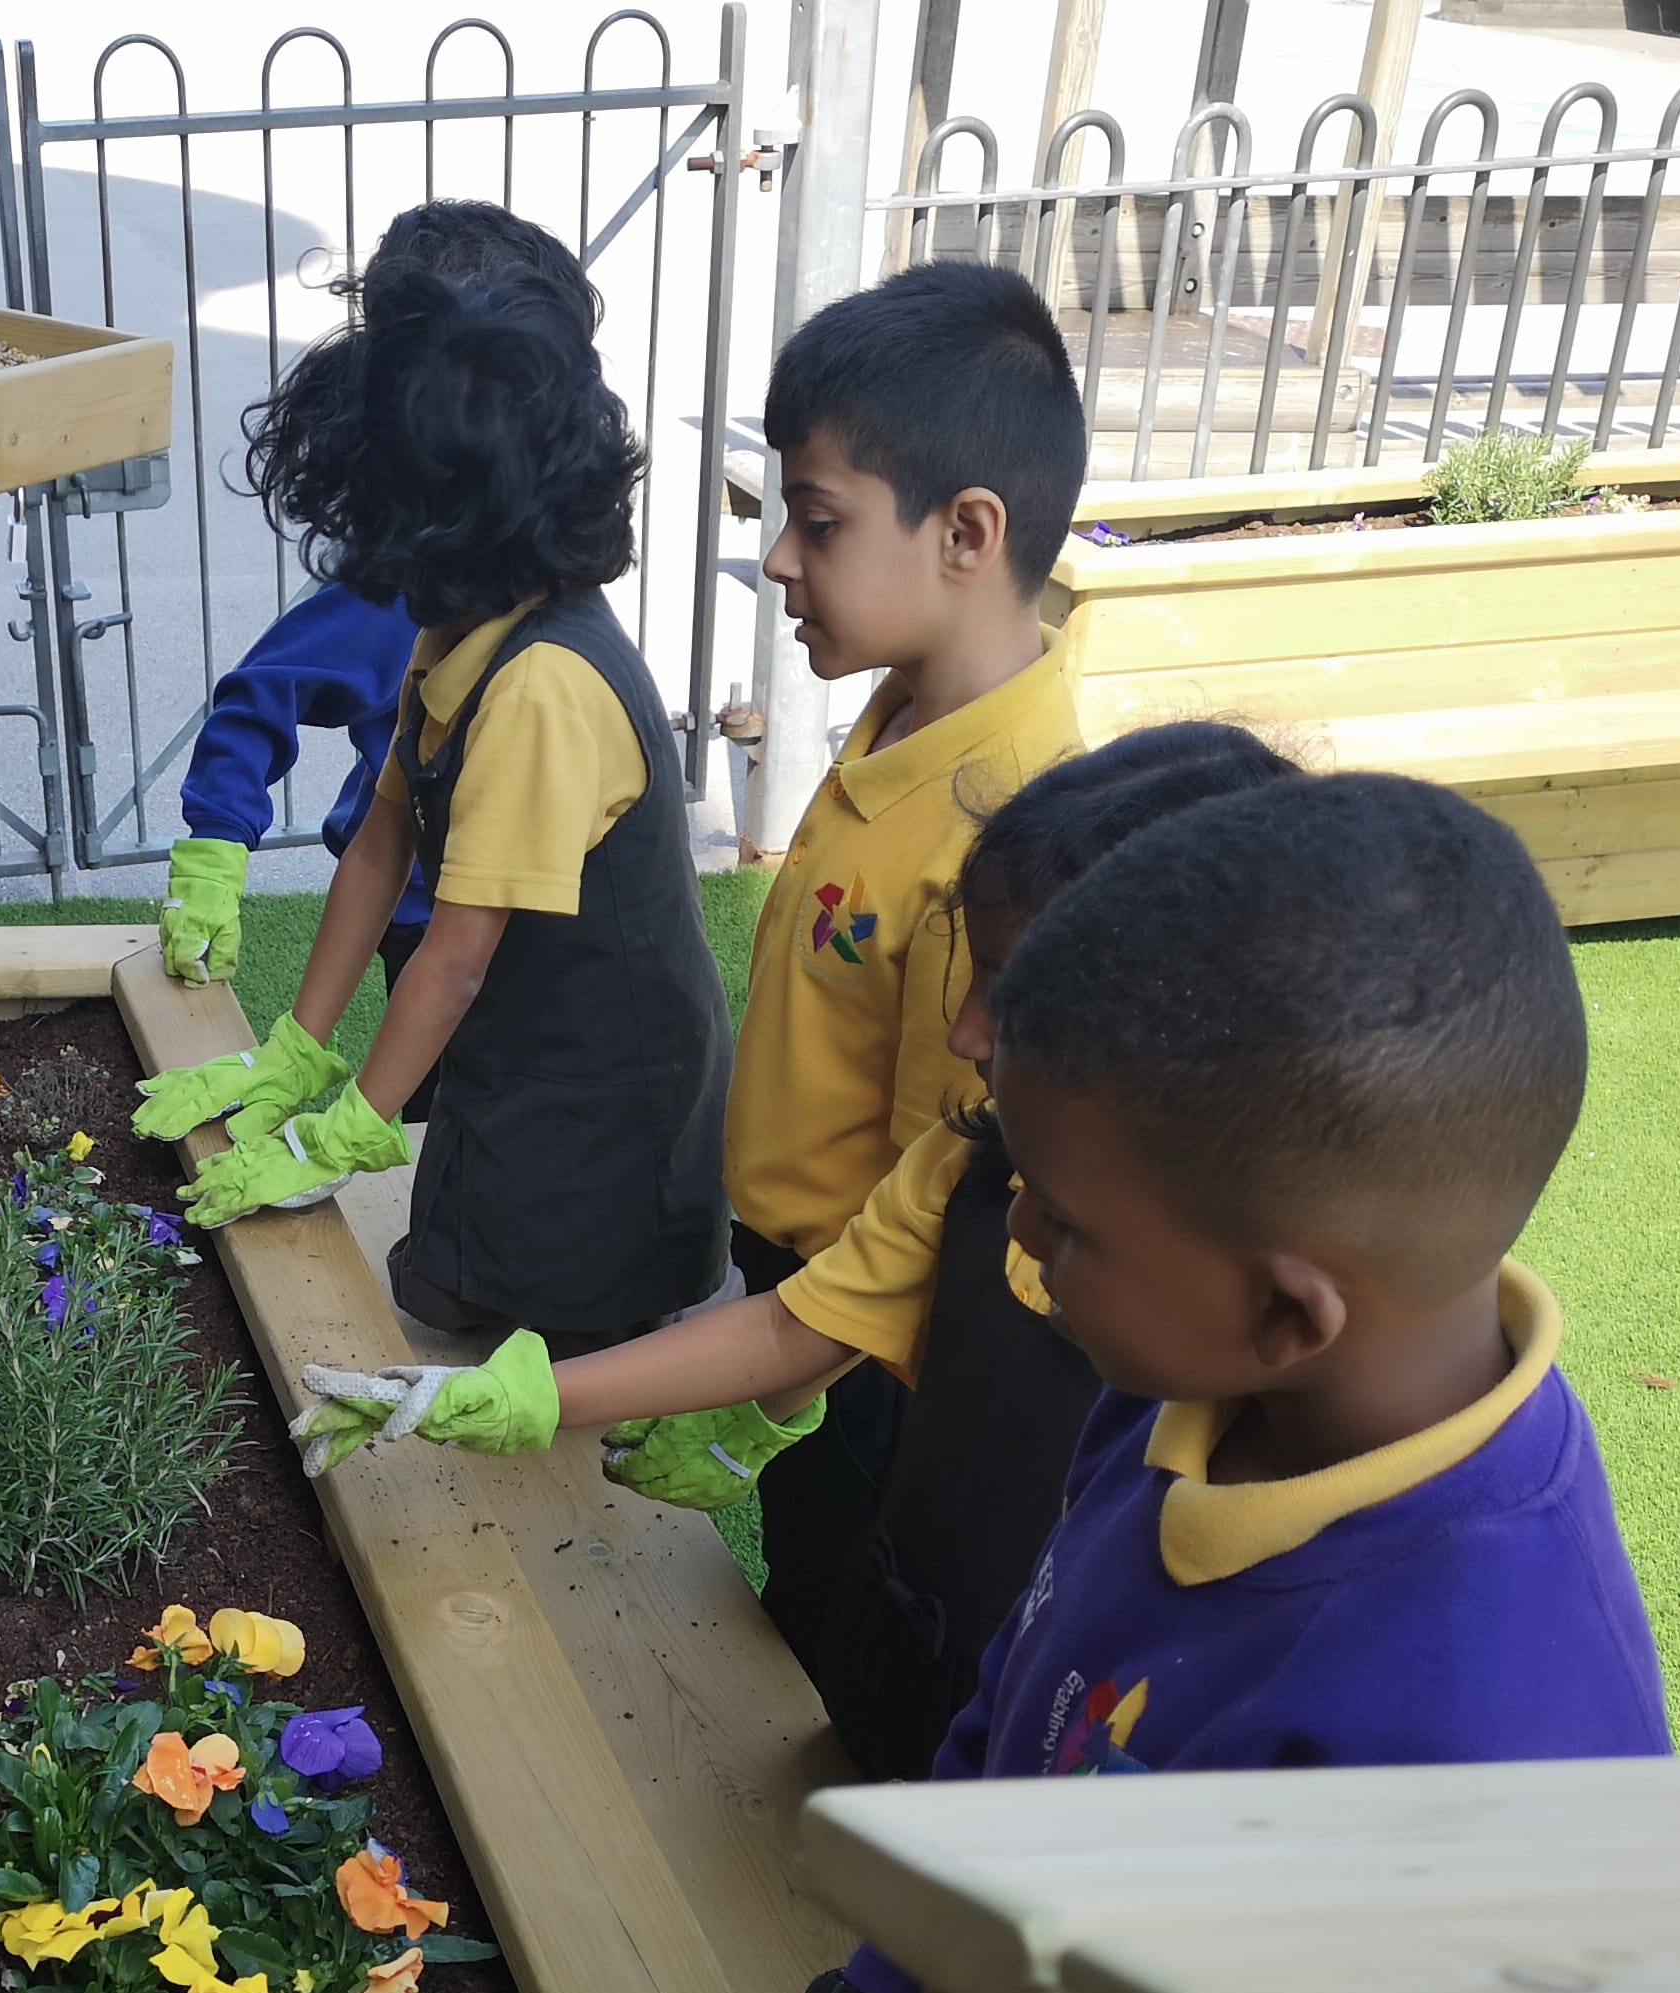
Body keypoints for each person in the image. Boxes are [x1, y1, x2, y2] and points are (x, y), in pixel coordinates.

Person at [720, 770, 1675, 1993]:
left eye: (1067, 1223)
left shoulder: (1483, 1744)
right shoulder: (1177, 1403)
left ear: (1290, 1310)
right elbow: (1018, 1738)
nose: (1016, 1235)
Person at [286, 726, 1300, 1781]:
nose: (963, 1034)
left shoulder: (1254, 1340)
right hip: (919, 1647)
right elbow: (788, 1323)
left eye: (1011, 986)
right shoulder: (967, 1169)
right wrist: (501, 1397)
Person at [132, 221, 728, 1355]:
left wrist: (341, 1140)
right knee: (445, 1288)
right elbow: (382, 838)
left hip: (603, 1090)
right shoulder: (461, 623)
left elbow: (452, 962)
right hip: (516, 1045)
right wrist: (294, 1052)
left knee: (549, 1328)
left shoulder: (542, 688)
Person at [703, 259, 1088, 1674]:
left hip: (856, 1351)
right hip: (792, 1297)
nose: (781, 561)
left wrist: (785, 1391)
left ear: (966, 533)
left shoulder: (1002, 834)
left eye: (817, 522)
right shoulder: (905, 709)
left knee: (838, 1633)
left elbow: (933, 1218)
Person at [154, 200, 604, 1094]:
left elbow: (463, 958)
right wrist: (217, 842)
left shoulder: (536, 652)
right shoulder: (421, 578)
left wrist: (355, 1122)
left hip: (521, 945)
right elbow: (378, 821)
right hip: (426, 919)